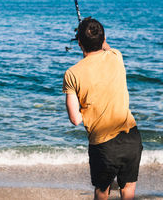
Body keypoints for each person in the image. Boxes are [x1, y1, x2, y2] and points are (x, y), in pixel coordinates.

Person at [62, 17, 143, 200]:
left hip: (103, 145)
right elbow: (105, 46)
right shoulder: (116, 56)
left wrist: (89, 106)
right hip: (131, 137)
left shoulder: (72, 74)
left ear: (80, 43)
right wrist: (92, 34)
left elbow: (75, 119)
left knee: (102, 190)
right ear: (103, 37)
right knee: (128, 188)